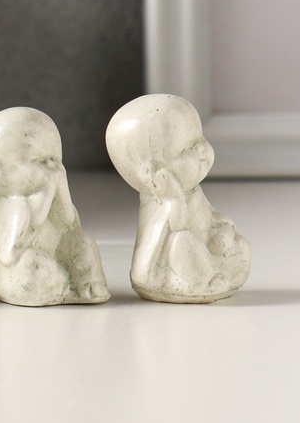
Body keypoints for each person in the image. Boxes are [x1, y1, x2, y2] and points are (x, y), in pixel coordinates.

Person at [105, 94, 252, 303]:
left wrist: (224, 230)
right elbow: (177, 224)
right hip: (168, 265)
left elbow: (210, 217)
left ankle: (219, 274)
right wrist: (173, 199)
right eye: (187, 149)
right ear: (151, 173)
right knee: (182, 241)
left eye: (201, 140)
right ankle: (205, 280)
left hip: (205, 250)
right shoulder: (160, 202)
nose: (202, 150)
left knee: (241, 245)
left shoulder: (192, 191)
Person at [0, 107, 109, 306]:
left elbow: (68, 222)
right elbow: (11, 252)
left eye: (54, 159)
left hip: (54, 255)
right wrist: (46, 193)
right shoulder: (13, 202)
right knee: (32, 263)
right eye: (39, 160)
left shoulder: (49, 184)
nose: (51, 167)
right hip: (20, 270)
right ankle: (59, 287)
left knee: (83, 242)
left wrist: (61, 189)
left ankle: (86, 283)